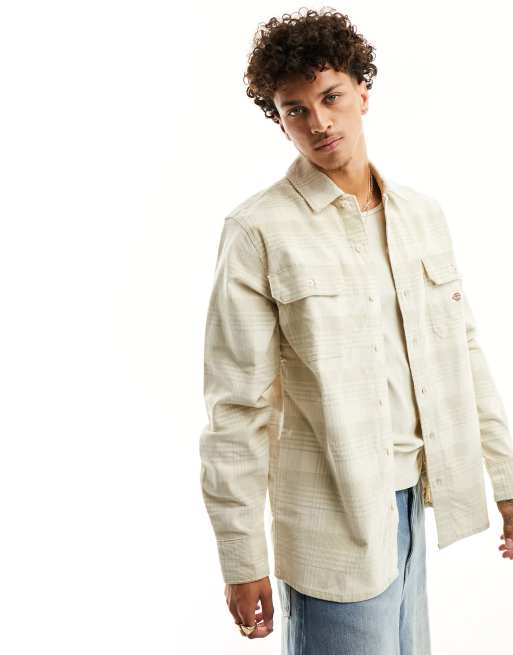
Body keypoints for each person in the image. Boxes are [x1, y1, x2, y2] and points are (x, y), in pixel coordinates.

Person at [198, 7, 513, 654]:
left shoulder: (421, 216)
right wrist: (240, 557)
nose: (318, 122)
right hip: (330, 524)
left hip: (413, 501)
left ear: (362, 93)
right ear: (278, 120)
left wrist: (506, 482)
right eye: (295, 109)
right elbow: (235, 409)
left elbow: (464, 354)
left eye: (330, 97)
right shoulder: (259, 231)